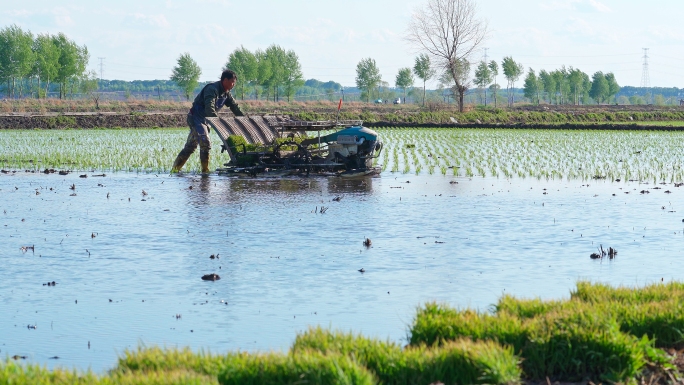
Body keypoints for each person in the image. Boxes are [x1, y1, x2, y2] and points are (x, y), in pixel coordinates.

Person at [171, 69, 244, 173]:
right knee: (205, 143)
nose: (233, 84)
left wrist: (243, 118)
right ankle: (205, 171)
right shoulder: (212, 89)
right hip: (196, 118)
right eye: (232, 82)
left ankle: (175, 170)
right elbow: (210, 109)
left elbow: (234, 107)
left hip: (205, 121)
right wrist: (218, 123)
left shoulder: (226, 93)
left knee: (190, 146)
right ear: (225, 80)